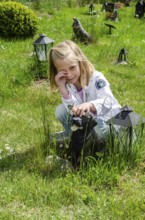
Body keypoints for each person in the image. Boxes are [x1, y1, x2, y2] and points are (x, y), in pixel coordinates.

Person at [48, 40, 121, 142]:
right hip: (88, 121)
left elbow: (109, 101)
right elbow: (73, 110)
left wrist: (90, 104)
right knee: (60, 111)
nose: (68, 74)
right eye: (63, 71)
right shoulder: (68, 83)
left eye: (72, 67)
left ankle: (100, 143)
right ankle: (73, 135)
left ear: (80, 62)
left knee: (99, 128)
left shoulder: (96, 78)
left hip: (109, 120)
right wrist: (62, 89)